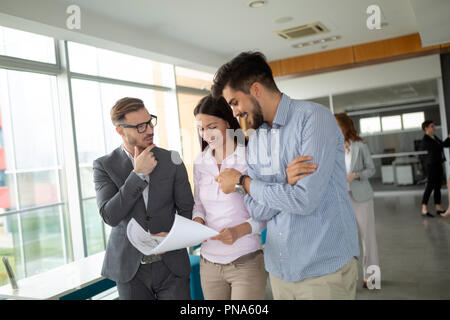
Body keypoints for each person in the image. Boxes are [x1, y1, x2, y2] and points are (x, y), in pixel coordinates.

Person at [212, 51, 360, 300]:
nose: (235, 112)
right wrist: (283, 183)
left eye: (235, 102)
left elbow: (304, 200)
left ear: (256, 89)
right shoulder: (257, 139)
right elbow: (257, 211)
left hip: (323, 272)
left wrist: (244, 182)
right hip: (280, 273)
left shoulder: (314, 119)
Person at [93, 97, 194, 300]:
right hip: (130, 270)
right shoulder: (104, 165)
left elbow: (186, 208)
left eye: (149, 121)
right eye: (140, 126)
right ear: (120, 130)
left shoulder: (171, 160)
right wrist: (137, 175)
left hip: (171, 264)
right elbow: (109, 216)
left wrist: (174, 237)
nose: (149, 130)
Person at [191, 94, 267, 300]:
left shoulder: (250, 157)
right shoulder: (200, 162)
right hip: (209, 262)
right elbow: (198, 204)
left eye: (212, 126)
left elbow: (267, 209)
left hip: (245, 259)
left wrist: (239, 231)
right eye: (201, 128)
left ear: (227, 121)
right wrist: (197, 221)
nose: (206, 134)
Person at [335, 113, 380, 289]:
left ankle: (372, 278)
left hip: (361, 197)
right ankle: (348, 278)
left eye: (337, 125)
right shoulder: (333, 146)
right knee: (345, 239)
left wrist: (356, 175)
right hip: (341, 198)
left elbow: (371, 169)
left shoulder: (360, 146)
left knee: (368, 238)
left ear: (345, 126)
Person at [420, 120, 450, 218]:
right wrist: (448, 138)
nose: (434, 128)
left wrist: (449, 139)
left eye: (434, 126)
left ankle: (438, 207)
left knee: (438, 186)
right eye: (432, 126)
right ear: (426, 128)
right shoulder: (426, 139)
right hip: (431, 166)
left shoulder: (434, 137)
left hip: (438, 164)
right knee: (430, 187)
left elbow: (444, 144)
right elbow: (438, 146)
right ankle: (424, 209)